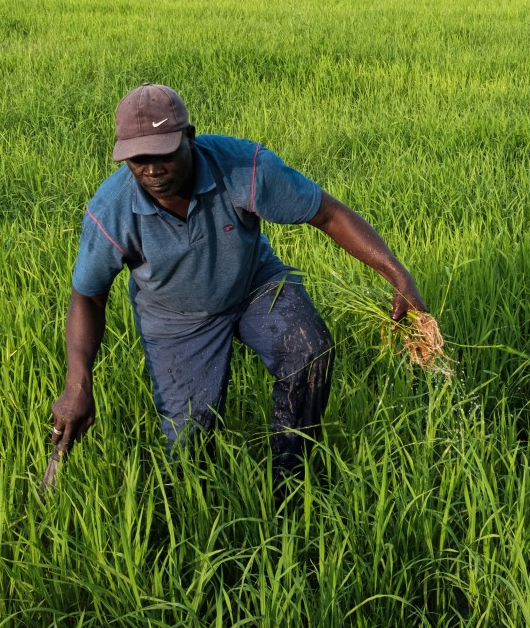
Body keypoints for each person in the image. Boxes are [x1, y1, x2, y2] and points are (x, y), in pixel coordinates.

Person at [49, 83, 426, 485]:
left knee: (308, 351)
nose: (152, 169)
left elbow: (328, 214)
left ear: (189, 139)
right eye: (137, 159)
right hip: (176, 317)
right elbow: (88, 296)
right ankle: (201, 507)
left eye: (163, 154)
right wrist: (78, 383)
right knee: (190, 444)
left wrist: (398, 275)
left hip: (253, 284)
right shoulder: (112, 211)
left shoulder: (243, 169)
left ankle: (291, 479)